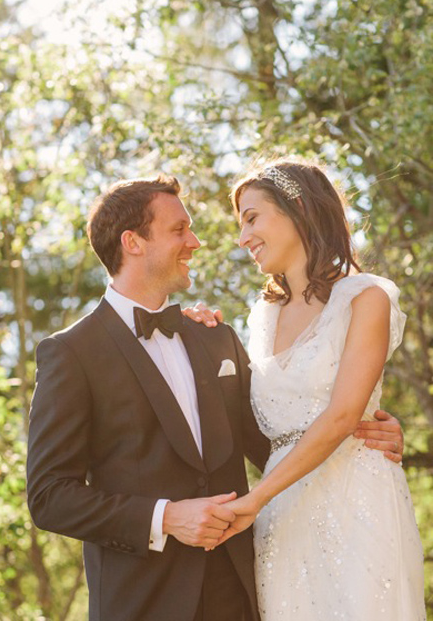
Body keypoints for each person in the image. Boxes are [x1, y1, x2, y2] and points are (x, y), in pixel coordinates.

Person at [25, 175, 405, 620]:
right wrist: (165, 517)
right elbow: (50, 497)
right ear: (133, 242)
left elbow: (276, 440)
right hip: (143, 600)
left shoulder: (215, 338)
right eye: (179, 230)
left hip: (242, 592)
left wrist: (362, 439)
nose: (196, 241)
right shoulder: (72, 353)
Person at [198, 160, 424, 619]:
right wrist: (197, 333)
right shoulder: (261, 317)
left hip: (356, 498)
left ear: (297, 207)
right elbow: (245, 417)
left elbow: (343, 416)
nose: (243, 238)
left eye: (251, 217)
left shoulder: (366, 298)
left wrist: (255, 499)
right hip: (283, 516)